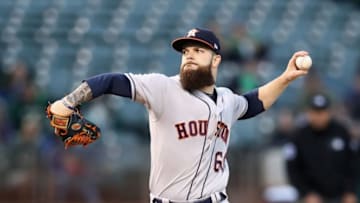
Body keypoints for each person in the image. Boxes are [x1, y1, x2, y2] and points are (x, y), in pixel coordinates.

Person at [48, 27, 309, 203]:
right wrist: (69, 101)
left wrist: (286, 78)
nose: (189, 56)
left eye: (198, 51)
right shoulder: (163, 88)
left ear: (216, 60)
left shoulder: (228, 99)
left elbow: (253, 103)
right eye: (186, 51)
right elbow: (111, 81)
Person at [284, 92, 358, 203]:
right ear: (308, 112)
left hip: (341, 196)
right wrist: (306, 193)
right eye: (315, 112)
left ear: (329, 112)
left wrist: (350, 191)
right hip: (312, 197)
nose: (319, 116)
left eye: (322, 112)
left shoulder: (341, 132)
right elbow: (293, 169)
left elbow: (353, 163)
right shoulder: (299, 136)